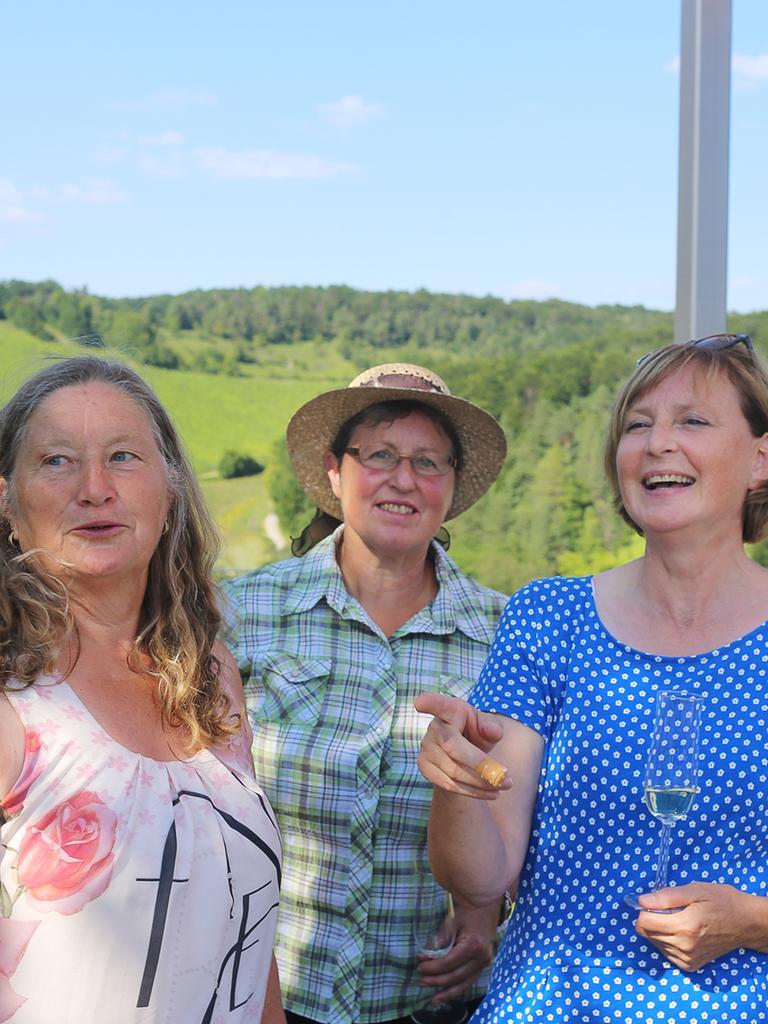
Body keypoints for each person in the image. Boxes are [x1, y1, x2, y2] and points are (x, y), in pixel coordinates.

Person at [416, 332, 768, 1022]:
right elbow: (484, 878)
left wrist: (753, 922)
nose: (657, 443)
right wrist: (457, 785)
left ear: (762, 457)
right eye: (637, 425)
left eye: (692, 420)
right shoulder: (549, 617)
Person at [0, 357, 284, 1024]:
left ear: (171, 488)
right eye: (58, 461)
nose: (95, 488)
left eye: (124, 457)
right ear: (7, 501)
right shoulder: (13, 699)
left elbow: (249, 929)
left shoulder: (208, 675)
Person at [224, 363, 509, 1024]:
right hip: (267, 998)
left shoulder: (505, 635)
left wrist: (487, 910)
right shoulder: (246, 611)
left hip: (432, 1005)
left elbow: (530, 809)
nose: (404, 479)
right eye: (379, 454)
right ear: (334, 471)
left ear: (452, 484)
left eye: (429, 461)